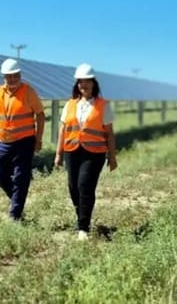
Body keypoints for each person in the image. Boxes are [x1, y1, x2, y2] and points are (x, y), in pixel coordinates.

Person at [54, 63, 118, 240]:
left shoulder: (103, 105)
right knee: (73, 187)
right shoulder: (70, 105)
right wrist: (58, 154)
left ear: (93, 83)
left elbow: (109, 133)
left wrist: (112, 157)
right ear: (77, 84)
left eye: (87, 81)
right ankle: (82, 216)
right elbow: (62, 130)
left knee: (84, 185)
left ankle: (83, 227)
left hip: (94, 153)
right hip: (72, 151)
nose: (84, 85)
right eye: (81, 82)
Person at [0, 58, 46, 221]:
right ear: (4, 77)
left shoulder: (28, 92)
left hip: (24, 141)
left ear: (20, 75)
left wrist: (38, 139)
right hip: (3, 142)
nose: (12, 79)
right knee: (0, 176)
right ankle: (16, 200)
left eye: (15, 75)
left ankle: (15, 214)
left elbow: (40, 115)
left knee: (21, 177)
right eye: (9, 76)